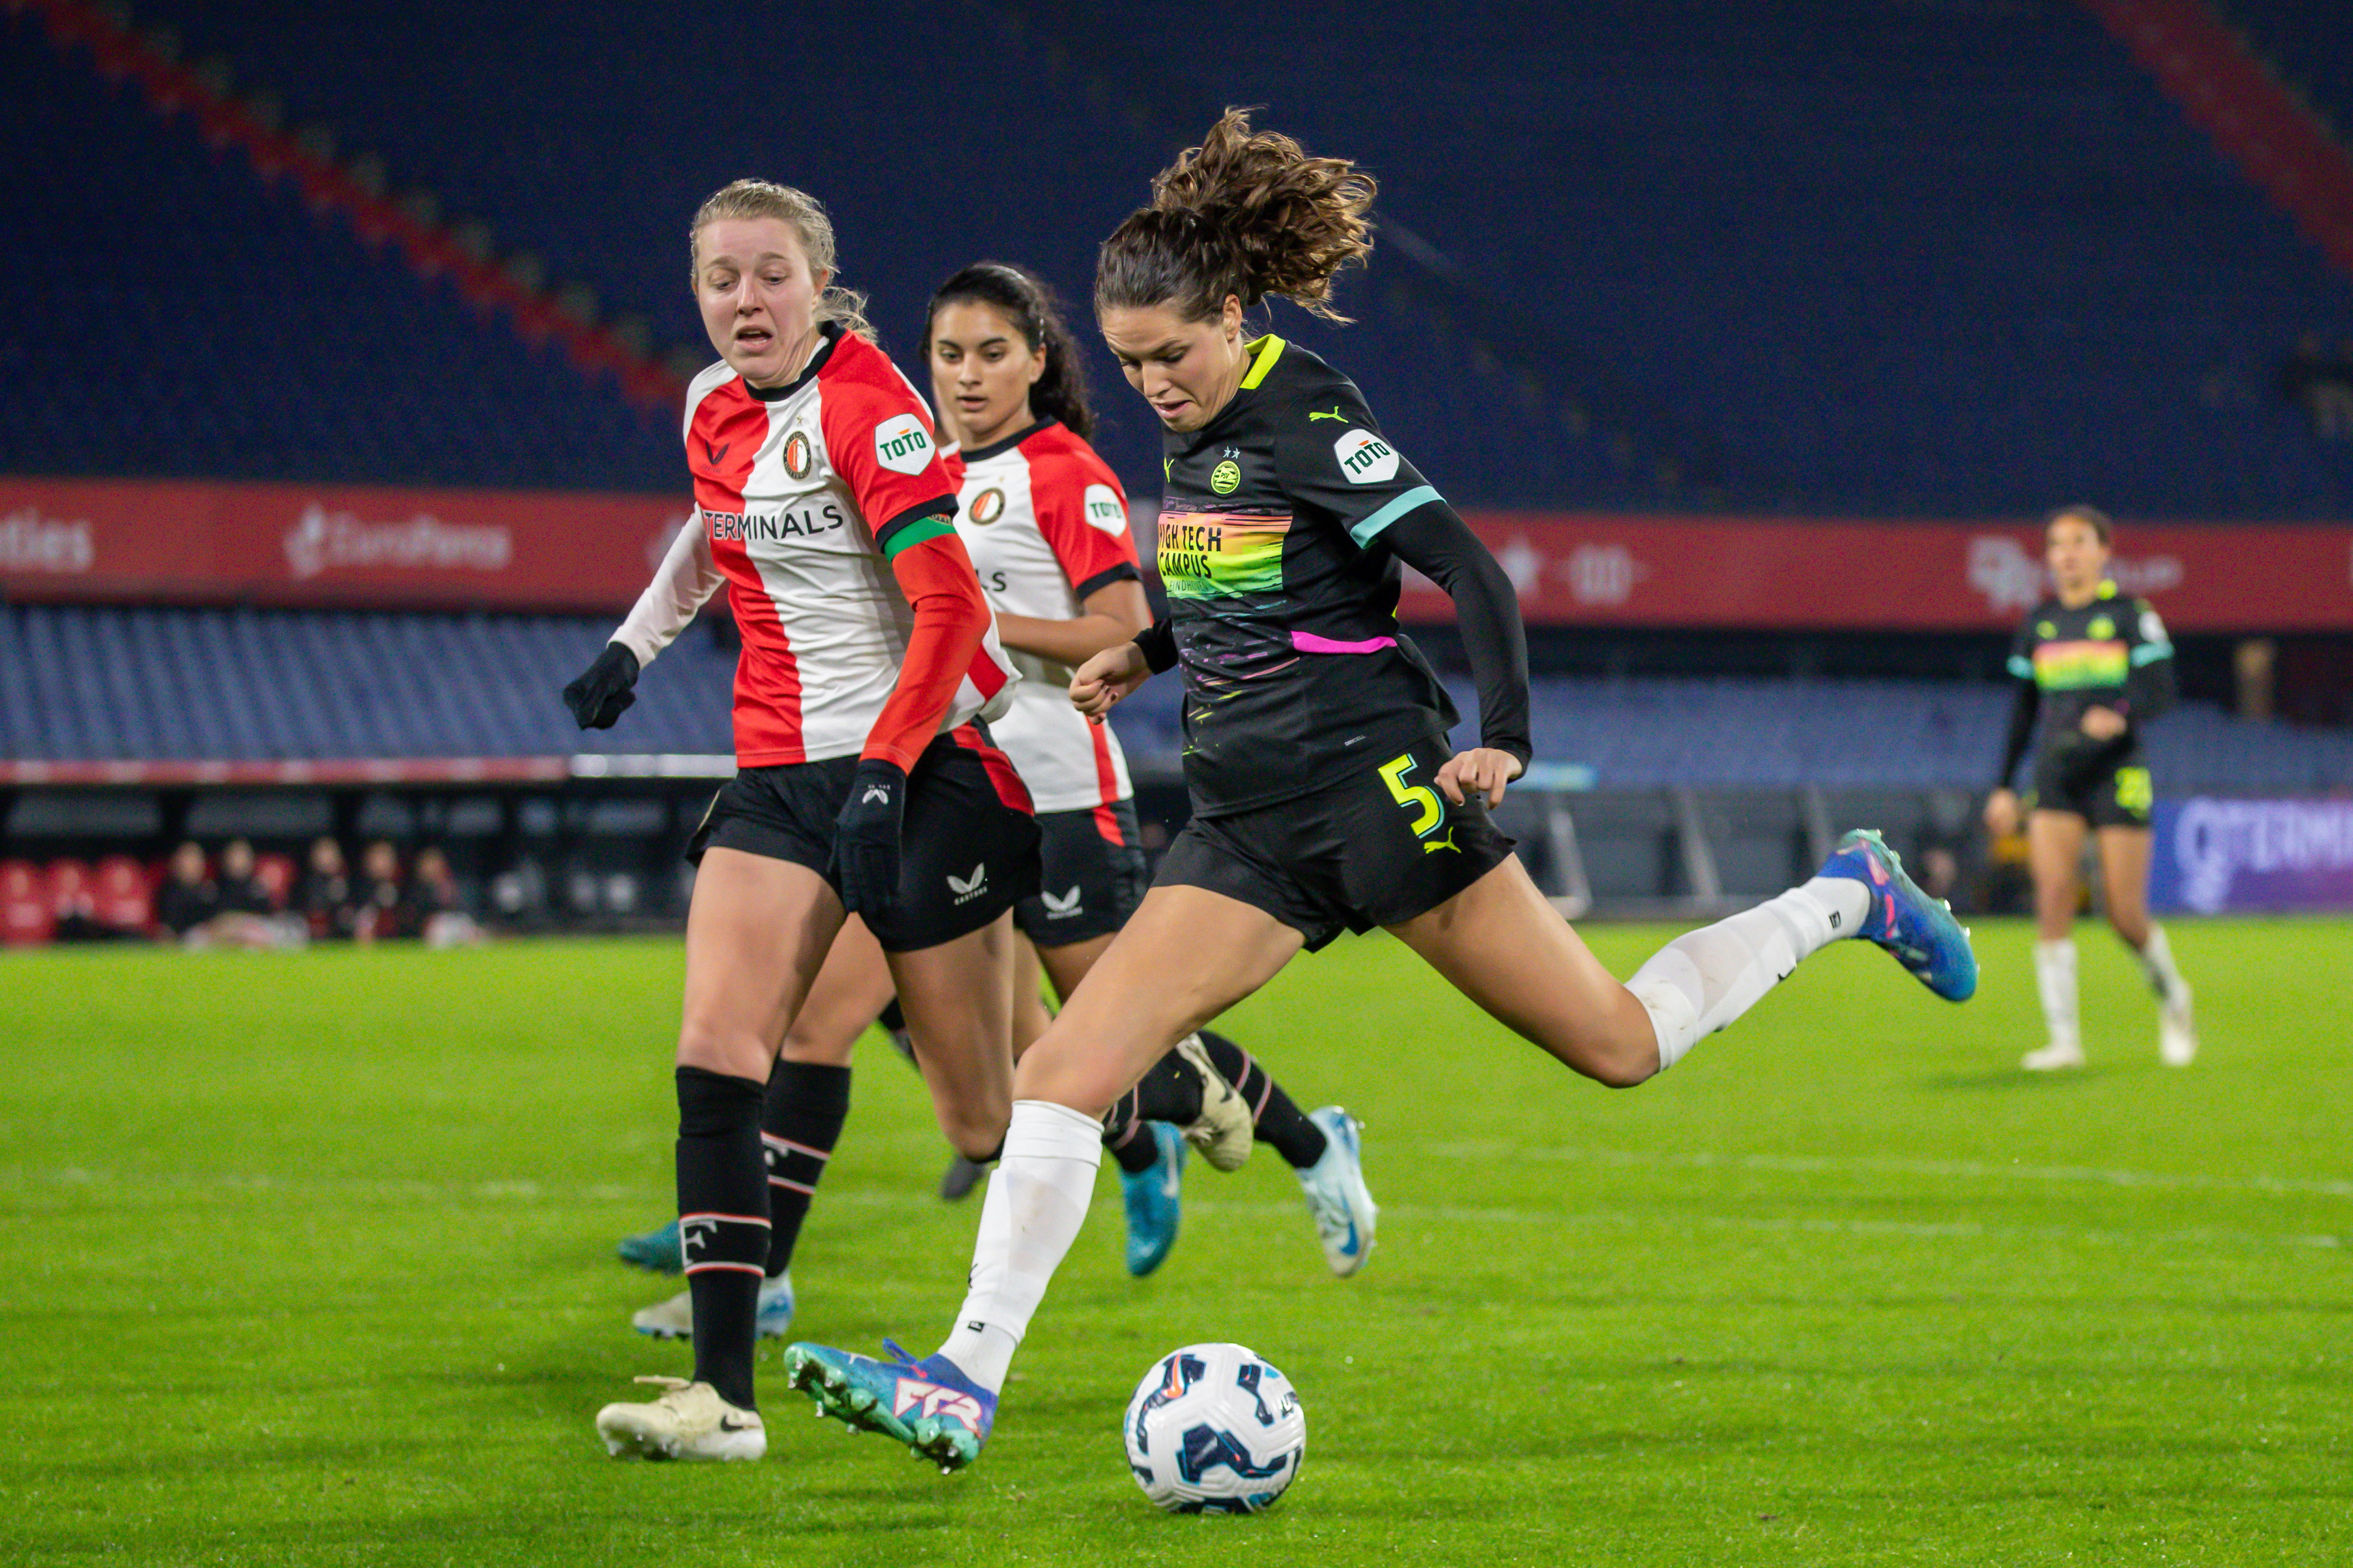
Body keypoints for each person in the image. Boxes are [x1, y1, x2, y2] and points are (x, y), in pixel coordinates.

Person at [778, 109, 1978, 1474]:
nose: (1157, 385)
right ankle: (960, 1381)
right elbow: (1245, 575)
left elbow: (1470, 574)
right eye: (1130, 365)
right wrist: (1147, 645)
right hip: (1245, 831)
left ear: (1233, 316)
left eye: (1174, 355)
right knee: (1060, 1074)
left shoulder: (1308, 416)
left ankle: (1844, 895)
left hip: (1375, 796)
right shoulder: (1194, 427)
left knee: (1616, 1046)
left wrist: (1501, 741)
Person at [611, 261, 1367, 1352]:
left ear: (1035, 361)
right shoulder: (903, 457)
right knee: (828, 1022)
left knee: (1121, 1044)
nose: (965, 375)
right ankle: (762, 1267)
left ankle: (1300, 1140)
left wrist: (970, 621)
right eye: (948, 355)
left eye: (990, 353)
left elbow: (1121, 621)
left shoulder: (1062, 472)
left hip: (1059, 793)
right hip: (943, 787)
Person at [569, 178, 1031, 1464]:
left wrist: (886, 767)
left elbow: (950, 613)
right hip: (774, 779)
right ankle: (722, 1399)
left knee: (981, 1113)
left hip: (914, 766)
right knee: (716, 1056)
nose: (744, 299)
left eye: (769, 273)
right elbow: (714, 537)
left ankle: (1177, 1106)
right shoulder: (707, 406)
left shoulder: (873, 411)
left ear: (818, 284)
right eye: (721, 277)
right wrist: (633, 644)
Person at [1983, 505, 2194, 1070]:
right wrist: (2003, 786)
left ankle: (2173, 997)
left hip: (2116, 771)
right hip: (2055, 775)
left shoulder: (2129, 614)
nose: (2066, 553)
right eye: (2056, 544)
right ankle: (2064, 1041)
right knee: (2051, 897)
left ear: (2104, 551)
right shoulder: (2038, 622)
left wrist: (2120, 712)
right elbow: (2022, 711)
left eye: (2078, 542)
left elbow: (2161, 690)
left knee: (2122, 914)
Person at [296, 837, 355, 941]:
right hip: (309, 935)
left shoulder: (346, 881)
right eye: (323, 855)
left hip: (340, 936)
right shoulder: (307, 883)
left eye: (331, 855)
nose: (327, 860)